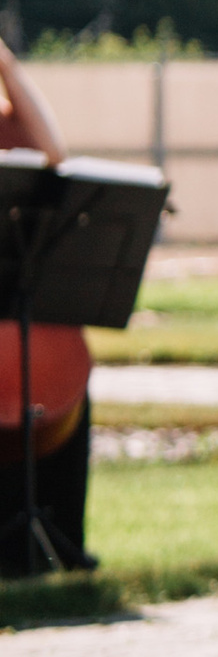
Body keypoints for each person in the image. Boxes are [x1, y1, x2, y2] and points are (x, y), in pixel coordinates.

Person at [0, 36, 94, 574]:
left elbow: (54, 153)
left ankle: (62, 540)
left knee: (67, 379)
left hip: (13, 301)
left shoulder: (12, 126)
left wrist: (8, 66)